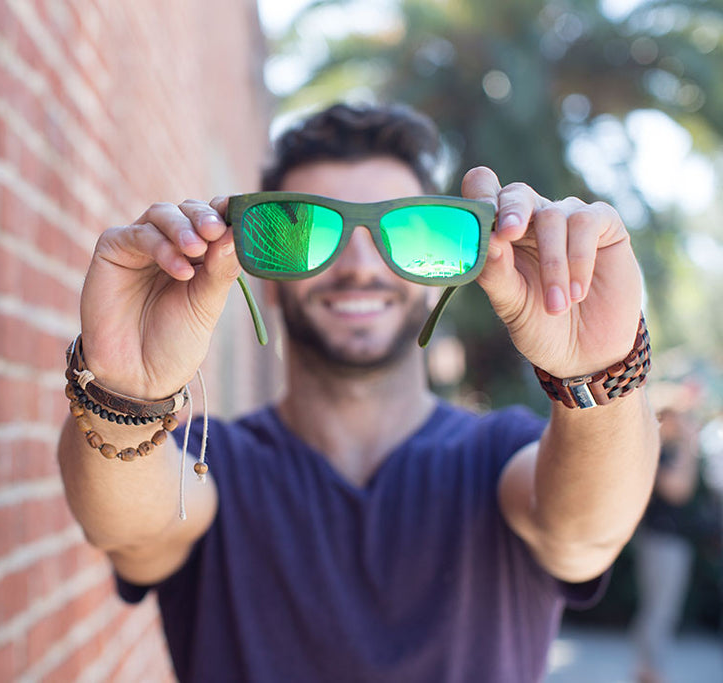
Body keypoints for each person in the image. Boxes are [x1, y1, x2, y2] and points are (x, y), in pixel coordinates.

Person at [57, 103, 660, 682]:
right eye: (306, 231)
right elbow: (129, 528)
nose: (359, 265)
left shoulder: (500, 454)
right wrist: (125, 397)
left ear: (440, 276)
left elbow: (585, 533)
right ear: (262, 273)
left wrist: (601, 372)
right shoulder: (211, 462)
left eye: (409, 230)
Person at [631, 407, 701, 683]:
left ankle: (648, 668)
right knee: (658, 609)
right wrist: (688, 445)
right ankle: (649, 670)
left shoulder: (670, 452)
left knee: (663, 609)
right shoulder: (659, 452)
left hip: (671, 541)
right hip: (660, 540)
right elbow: (678, 491)